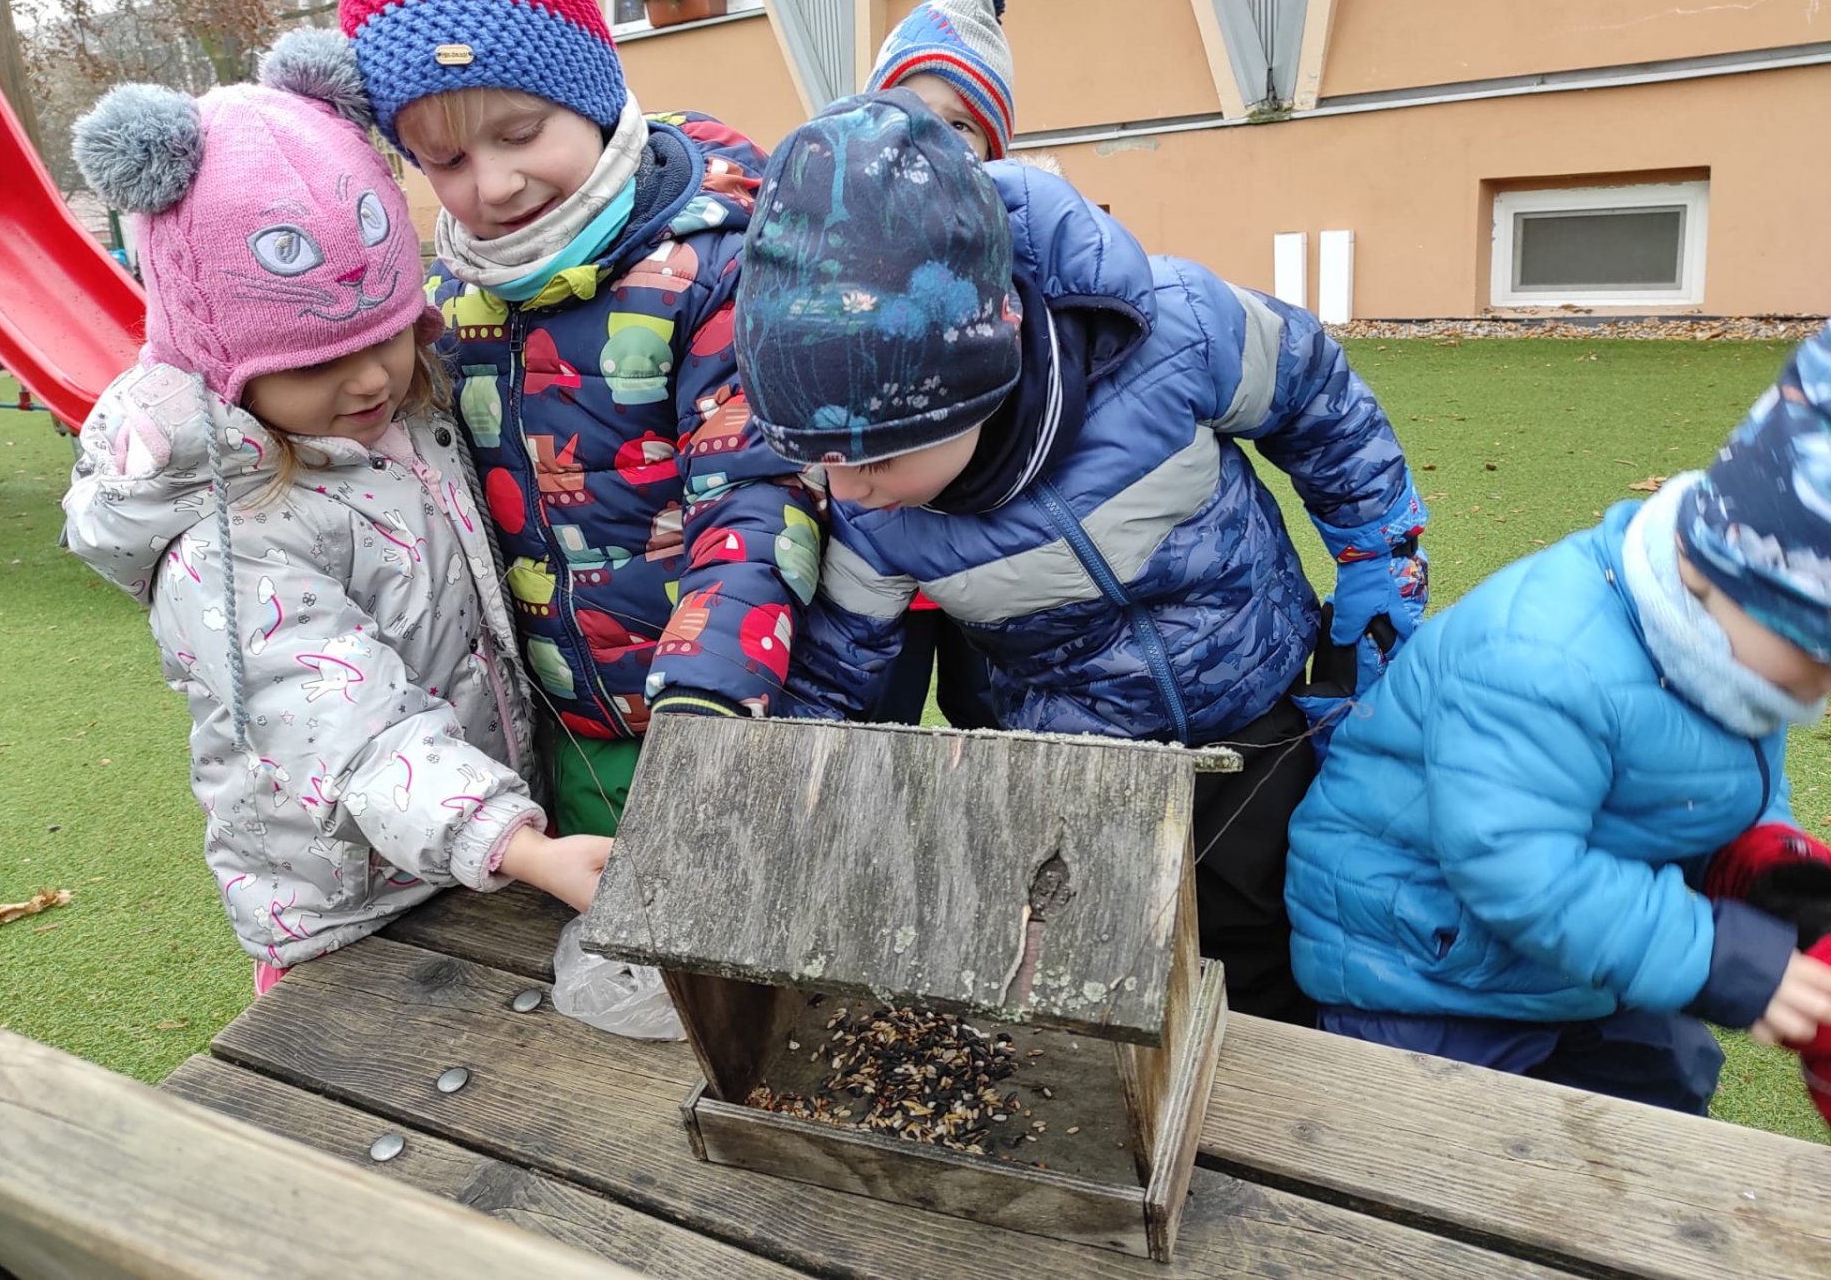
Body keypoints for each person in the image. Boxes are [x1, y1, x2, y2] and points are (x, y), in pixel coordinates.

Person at [734, 91, 1428, 1025]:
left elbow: (1320, 403)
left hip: (1255, 707)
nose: (844, 490)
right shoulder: (873, 521)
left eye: (874, 459)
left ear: (978, 373)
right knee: (1103, 968)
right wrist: (780, 799)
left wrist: (1378, 563)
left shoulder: (1177, 330)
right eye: (818, 460)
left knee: (1277, 939)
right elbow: (831, 673)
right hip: (1082, 769)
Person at [62, 38, 610, 993]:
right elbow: (345, 730)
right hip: (349, 908)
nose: (368, 380)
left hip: (471, 854)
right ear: (223, 363)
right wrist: (519, 844)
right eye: (316, 362)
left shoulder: (404, 426)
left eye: (386, 335)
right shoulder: (225, 541)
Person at [333, 0, 819, 836]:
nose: (494, 184)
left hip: (740, 712)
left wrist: (711, 695)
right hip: (565, 731)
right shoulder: (451, 297)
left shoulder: (713, 269)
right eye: (444, 159)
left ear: (592, 90)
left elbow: (762, 489)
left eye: (520, 133)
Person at [1283, 326, 1831, 1115]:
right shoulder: (1544, 659)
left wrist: (1761, 855)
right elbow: (1513, 864)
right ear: (1726, 578)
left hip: (1572, 939)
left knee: (1666, 1093)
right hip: (1426, 965)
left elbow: (1725, 776)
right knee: (1437, 1150)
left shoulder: (1730, 655)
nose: (1820, 684)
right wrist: (1714, 956)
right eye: (1817, 651)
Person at [856, 0, 1015, 729]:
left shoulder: (1020, 247)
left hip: (992, 541)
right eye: (911, 112)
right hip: (887, 540)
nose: (932, 140)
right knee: (877, 712)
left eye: (960, 125)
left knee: (993, 711)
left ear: (993, 149)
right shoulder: (848, 243)